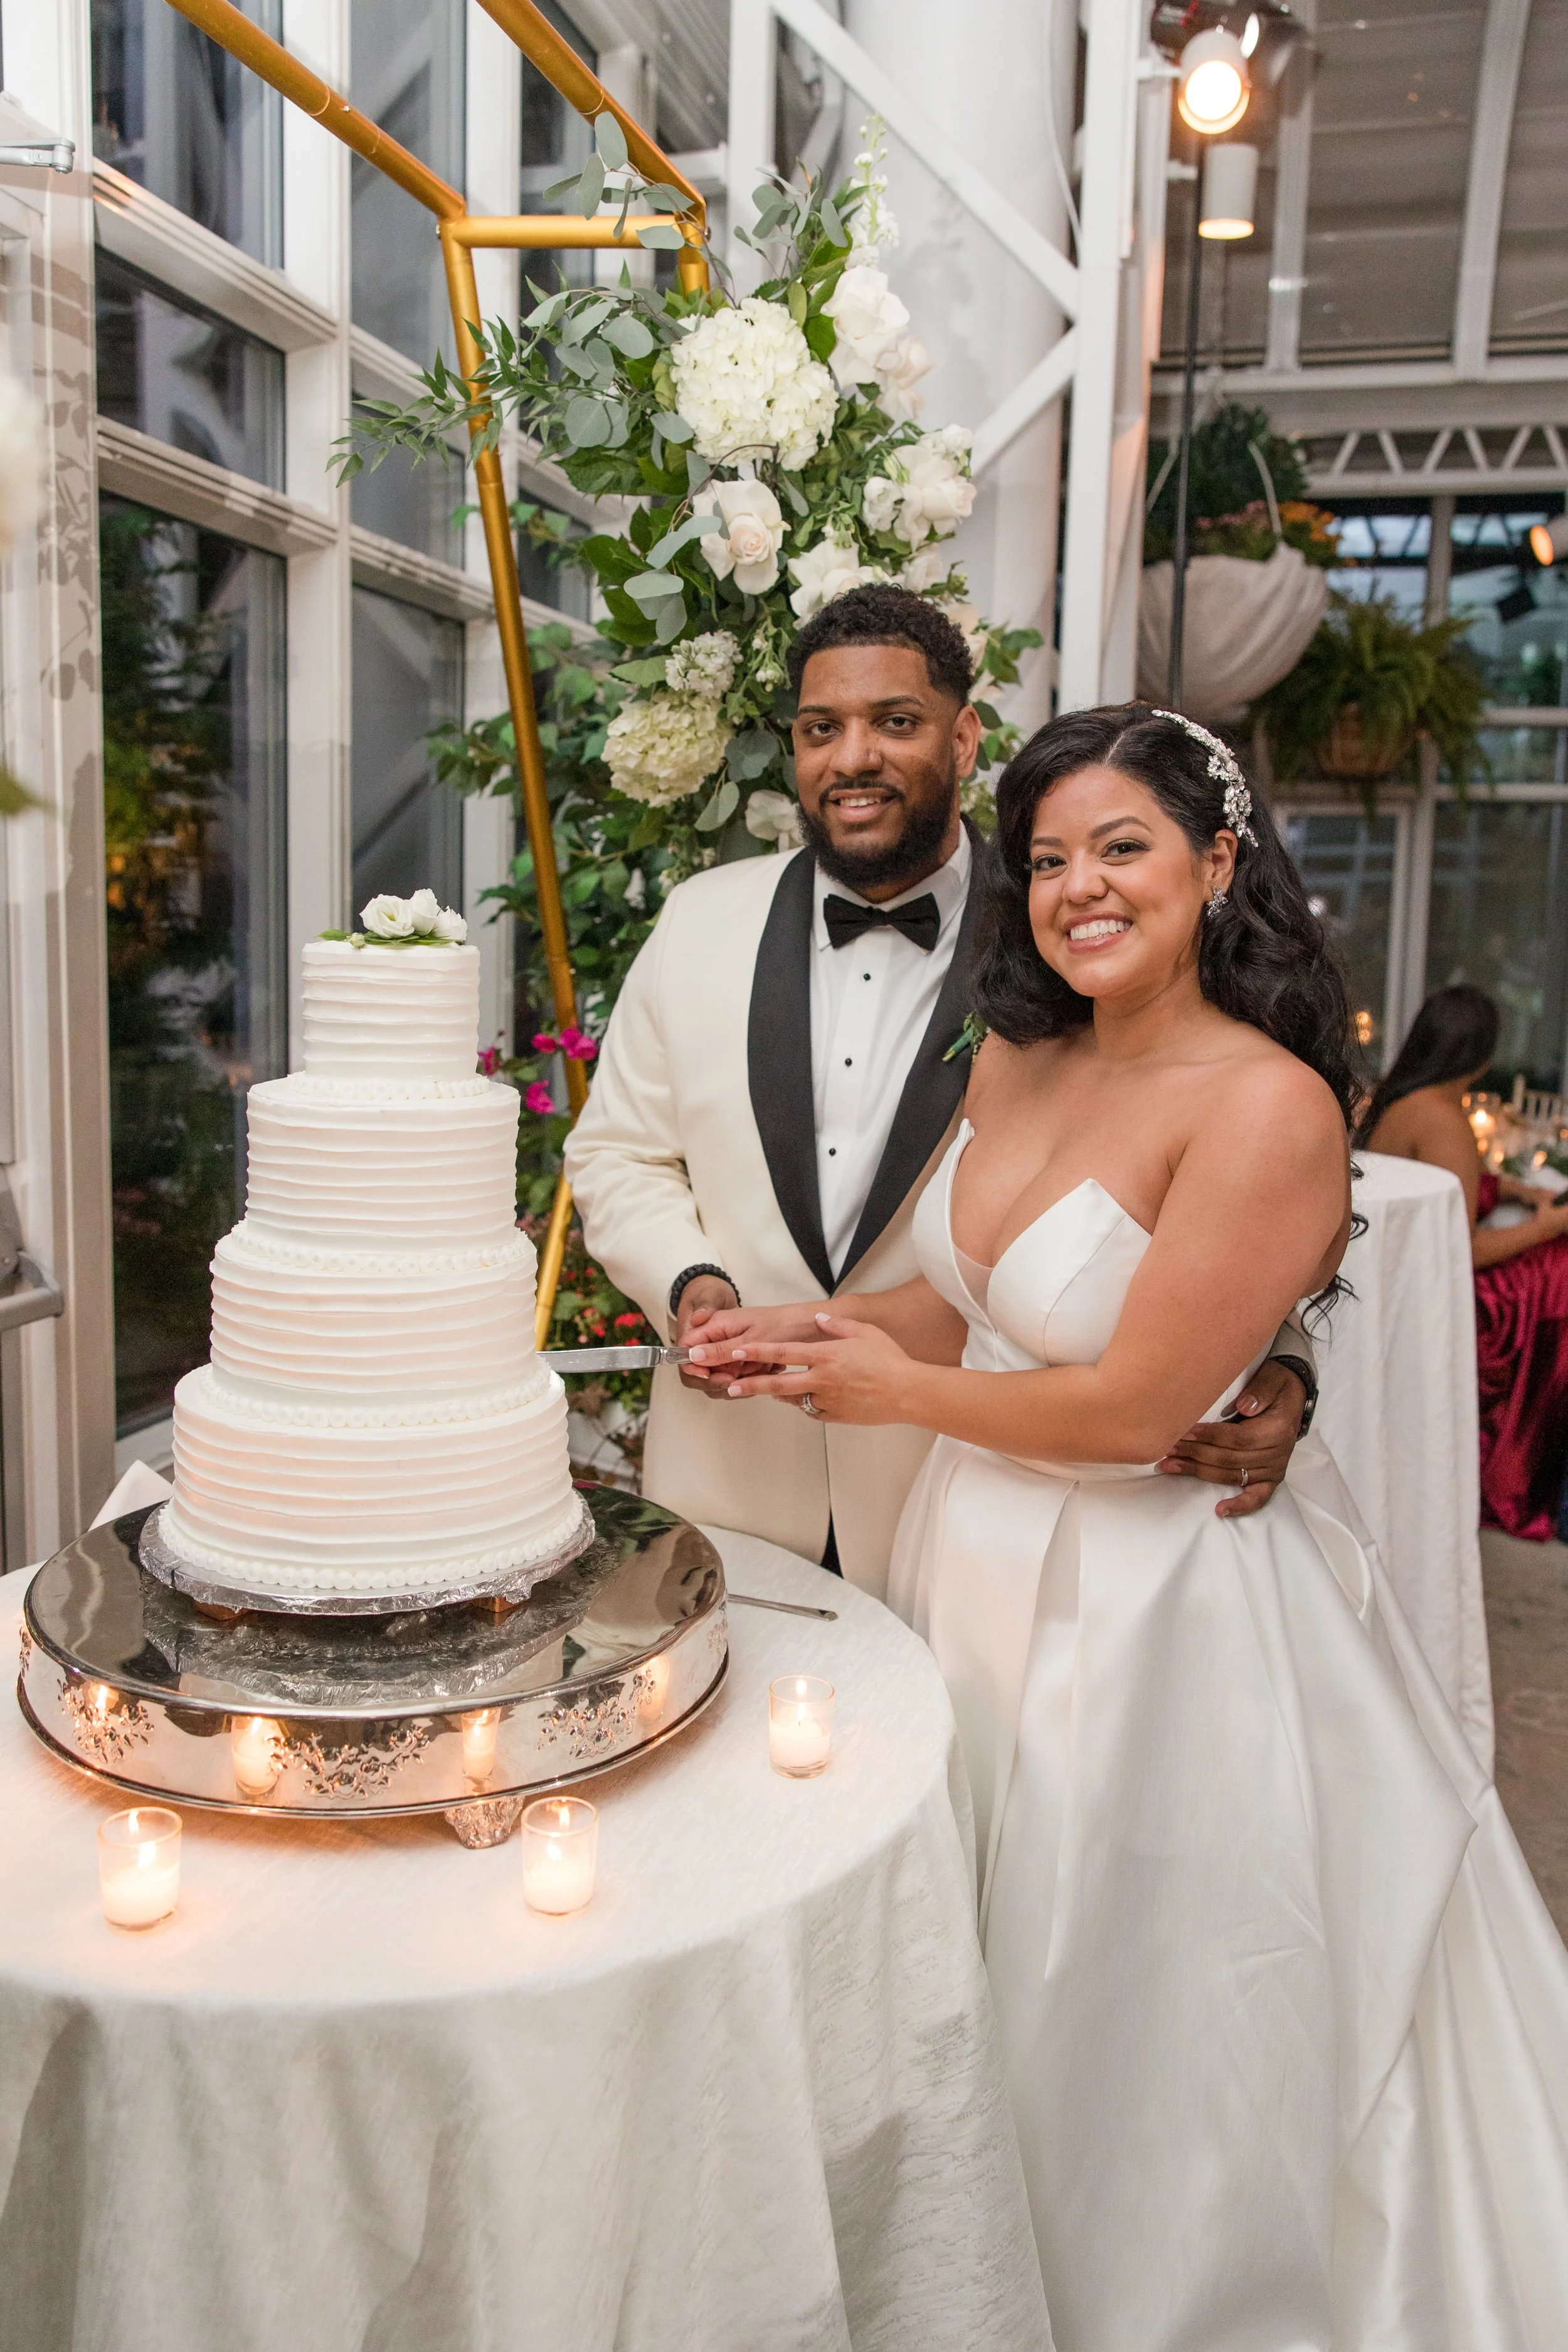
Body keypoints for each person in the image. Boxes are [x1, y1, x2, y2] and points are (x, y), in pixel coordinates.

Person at [692, 706, 1568, 2348]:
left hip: (1156, 1618)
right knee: (953, 1950)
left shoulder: (1266, 1106)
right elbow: (957, 1302)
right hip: (962, 1566)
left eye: (1121, 846)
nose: (1077, 887)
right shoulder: (1022, 1049)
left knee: (1115, 2004)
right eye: (1044, 858)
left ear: (1216, 858)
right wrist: (808, 1330)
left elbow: (1130, 1411)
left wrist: (883, 1399)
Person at [564, 586, 1315, 1594]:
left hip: (971, 1492)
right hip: (732, 1472)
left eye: (896, 722)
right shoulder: (699, 921)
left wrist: (1286, 1360)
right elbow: (617, 1152)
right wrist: (694, 1284)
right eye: (821, 728)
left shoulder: (1064, 940)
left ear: (964, 740)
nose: (854, 757)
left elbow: (1216, 1172)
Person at [1361, 985, 1568, 1539]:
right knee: (1559, 1272)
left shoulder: (1405, 1098)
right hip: (1443, 1300)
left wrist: (1516, 1192)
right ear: (1482, 1055)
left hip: (1394, 1282)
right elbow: (1460, 1251)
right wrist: (1544, 1225)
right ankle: (1522, 1466)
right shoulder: (1444, 1119)